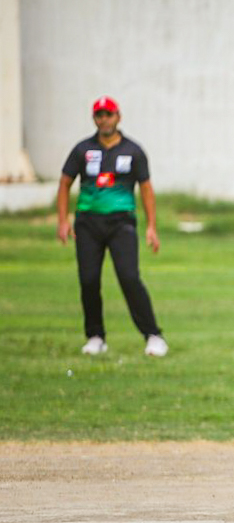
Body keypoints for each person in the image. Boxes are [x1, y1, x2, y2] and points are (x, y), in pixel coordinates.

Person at [56, 96, 168, 357]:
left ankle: (153, 335)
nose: (104, 120)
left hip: (121, 223)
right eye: (100, 115)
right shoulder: (83, 150)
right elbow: (64, 183)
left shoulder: (133, 151)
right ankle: (95, 336)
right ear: (94, 119)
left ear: (118, 117)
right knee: (88, 280)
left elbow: (146, 188)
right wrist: (63, 220)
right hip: (88, 223)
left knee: (129, 278)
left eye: (109, 114)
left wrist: (151, 226)